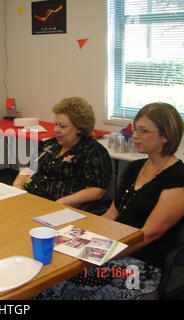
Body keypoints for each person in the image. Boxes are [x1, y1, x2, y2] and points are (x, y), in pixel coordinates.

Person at [32, 102, 184, 300]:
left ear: (166, 136)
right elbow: (111, 214)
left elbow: (148, 235)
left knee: (59, 285)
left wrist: (98, 254)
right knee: (48, 276)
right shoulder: (136, 167)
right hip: (113, 248)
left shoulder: (177, 178)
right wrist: (82, 239)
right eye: (135, 129)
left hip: (140, 266)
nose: (135, 135)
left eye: (143, 131)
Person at [13, 97, 112, 211]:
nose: (56, 130)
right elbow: (29, 167)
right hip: (30, 201)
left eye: (62, 126)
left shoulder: (93, 152)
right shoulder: (50, 144)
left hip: (61, 208)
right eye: (56, 124)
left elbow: (96, 191)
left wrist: (62, 202)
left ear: (79, 128)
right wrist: (18, 185)